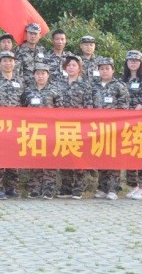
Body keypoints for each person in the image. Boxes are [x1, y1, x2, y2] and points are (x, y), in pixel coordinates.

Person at [0, 50, 24, 199]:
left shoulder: (20, 82)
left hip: (15, 126)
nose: (8, 63)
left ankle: (11, 187)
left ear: (15, 63)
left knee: (14, 156)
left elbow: (23, 104)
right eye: (5, 61)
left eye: (10, 61)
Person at [91, 57, 130, 200]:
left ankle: (113, 189)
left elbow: (124, 106)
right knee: (100, 156)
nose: (104, 71)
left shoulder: (119, 86)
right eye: (102, 69)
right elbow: (88, 105)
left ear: (113, 70)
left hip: (114, 128)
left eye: (107, 68)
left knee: (113, 157)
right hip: (97, 128)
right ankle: (102, 188)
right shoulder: (94, 86)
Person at [21, 63, 62, 199]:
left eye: (43, 73)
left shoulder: (54, 91)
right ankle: (35, 187)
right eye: (38, 73)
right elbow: (22, 110)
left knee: (50, 159)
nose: (40, 76)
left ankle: (49, 188)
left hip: (50, 131)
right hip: (32, 131)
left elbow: (61, 112)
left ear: (48, 75)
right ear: (34, 75)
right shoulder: (27, 92)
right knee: (34, 159)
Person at [56, 55, 92, 200]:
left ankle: (78, 187)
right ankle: (65, 187)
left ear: (79, 68)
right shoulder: (59, 84)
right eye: (68, 65)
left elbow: (89, 106)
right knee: (64, 155)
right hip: (62, 125)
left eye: (74, 65)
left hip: (79, 126)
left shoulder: (85, 85)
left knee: (78, 156)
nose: (71, 68)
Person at [121, 50, 142, 200]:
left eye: (136, 61)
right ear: (126, 63)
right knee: (129, 152)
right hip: (125, 122)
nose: (133, 63)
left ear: (140, 63)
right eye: (130, 60)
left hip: (141, 122)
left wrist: (139, 107)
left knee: (141, 153)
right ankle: (134, 186)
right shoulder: (122, 80)